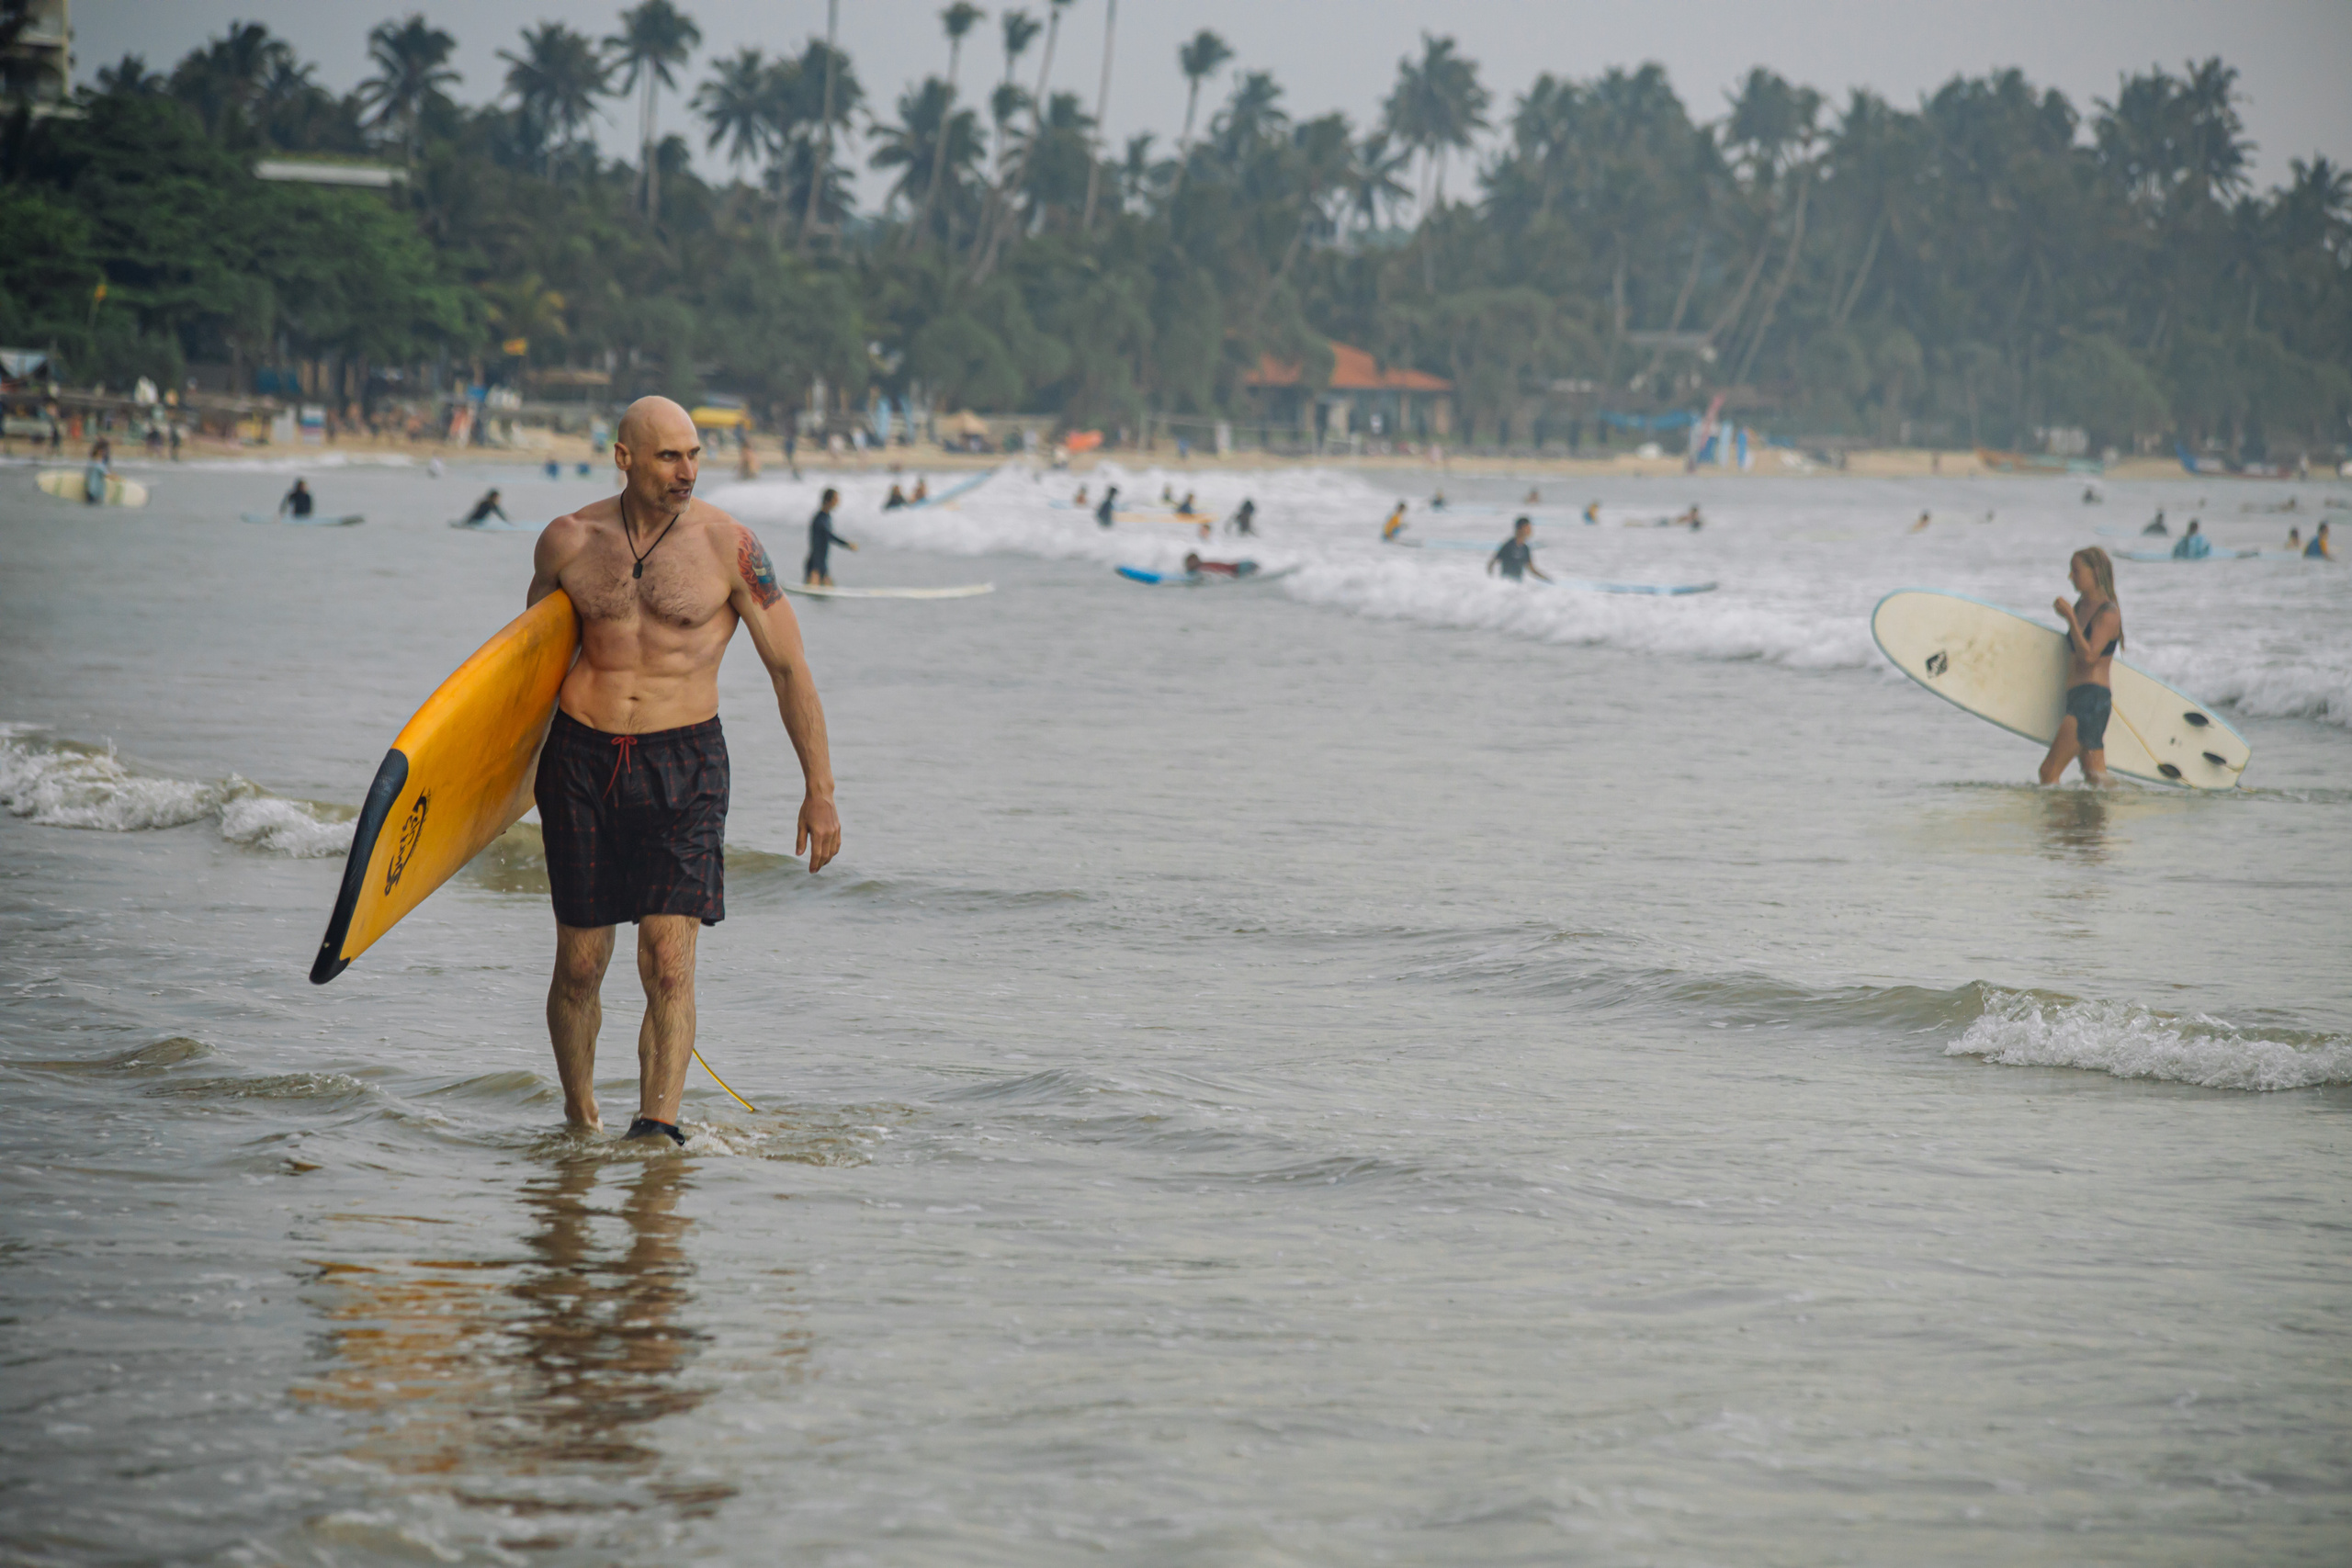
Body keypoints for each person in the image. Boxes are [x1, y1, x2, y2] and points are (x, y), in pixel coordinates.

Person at [526, 395, 840, 1143]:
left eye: (695, 454)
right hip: (578, 757)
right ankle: (579, 1119)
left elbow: (789, 668)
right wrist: (492, 786)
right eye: (670, 456)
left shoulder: (730, 547)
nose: (688, 471)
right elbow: (526, 671)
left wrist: (819, 791)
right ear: (624, 456)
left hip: (684, 761)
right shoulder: (567, 541)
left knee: (668, 960)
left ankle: (655, 1133)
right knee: (580, 964)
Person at [2039, 547, 2123, 786]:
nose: (2071, 577)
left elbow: (2089, 657)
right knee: (2096, 779)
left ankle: (2052, 824)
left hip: (2091, 701)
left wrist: (2070, 619)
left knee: (2048, 773)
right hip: (2078, 698)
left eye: (2076, 571)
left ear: (2095, 572)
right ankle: (2104, 820)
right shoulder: (2081, 606)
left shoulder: (2108, 613)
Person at [805, 488, 856, 584]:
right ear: (829, 500)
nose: (838, 502)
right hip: (815, 564)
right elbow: (829, 536)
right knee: (815, 594)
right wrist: (847, 544)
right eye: (836, 499)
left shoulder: (826, 517)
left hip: (821, 563)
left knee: (828, 594)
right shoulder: (820, 519)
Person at [1488, 516, 1551, 582]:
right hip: (1506, 583)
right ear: (1520, 528)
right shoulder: (1508, 545)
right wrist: (1493, 583)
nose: (1530, 530)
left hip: (1518, 584)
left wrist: (1546, 579)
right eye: (1528, 528)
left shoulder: (1525, 548)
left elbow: (1531, 569)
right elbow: (1492, 562)